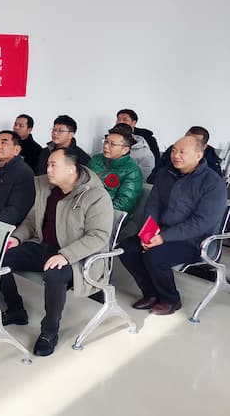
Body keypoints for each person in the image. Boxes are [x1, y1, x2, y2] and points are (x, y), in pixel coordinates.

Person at [1, 148, 113, 356]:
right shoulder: (47, 187)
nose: (48, 170)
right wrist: (17, 237)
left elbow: (98, 236)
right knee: (1, 258)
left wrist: (65, 255)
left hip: (78, 257)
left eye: (54, 165)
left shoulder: (95, 195)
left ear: (71, 169)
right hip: (45, 248)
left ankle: (49, 332)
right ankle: (16, 309)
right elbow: (32, 220)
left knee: (54, 274)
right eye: (48, 165)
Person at [119, 136, 226, 315]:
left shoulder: (213, 183)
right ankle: (151, 293)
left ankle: (170, 299)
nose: (176, 155)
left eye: (182, 152)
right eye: (174, 150)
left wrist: (163, 238)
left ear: (198, 155)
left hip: (193, 240)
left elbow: (201, 222)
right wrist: (149, 234)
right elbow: (153, 205)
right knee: (127, 248)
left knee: (155, 256)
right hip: (161, 232)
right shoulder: (165, 174)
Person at [87, 125, 143, 213]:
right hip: (85, 204)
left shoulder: (132, 171)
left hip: (107, 212)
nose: (106, 146)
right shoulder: (96, 159)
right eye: (106, 141)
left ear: (125, 150)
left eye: (112, 144)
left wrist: (96, 210)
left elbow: (124, 203)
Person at [148, 126, 223, 183]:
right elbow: (153, 177)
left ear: (204, 147)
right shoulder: (173, 151)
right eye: (186, 139)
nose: (176, 155)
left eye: (194, 142)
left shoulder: (212, 163)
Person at [112, 114, 155, 180]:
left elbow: (141, 178)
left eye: (125, 120)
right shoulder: (107, 147)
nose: (120, 122)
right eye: (118, 119)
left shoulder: (144, 153)